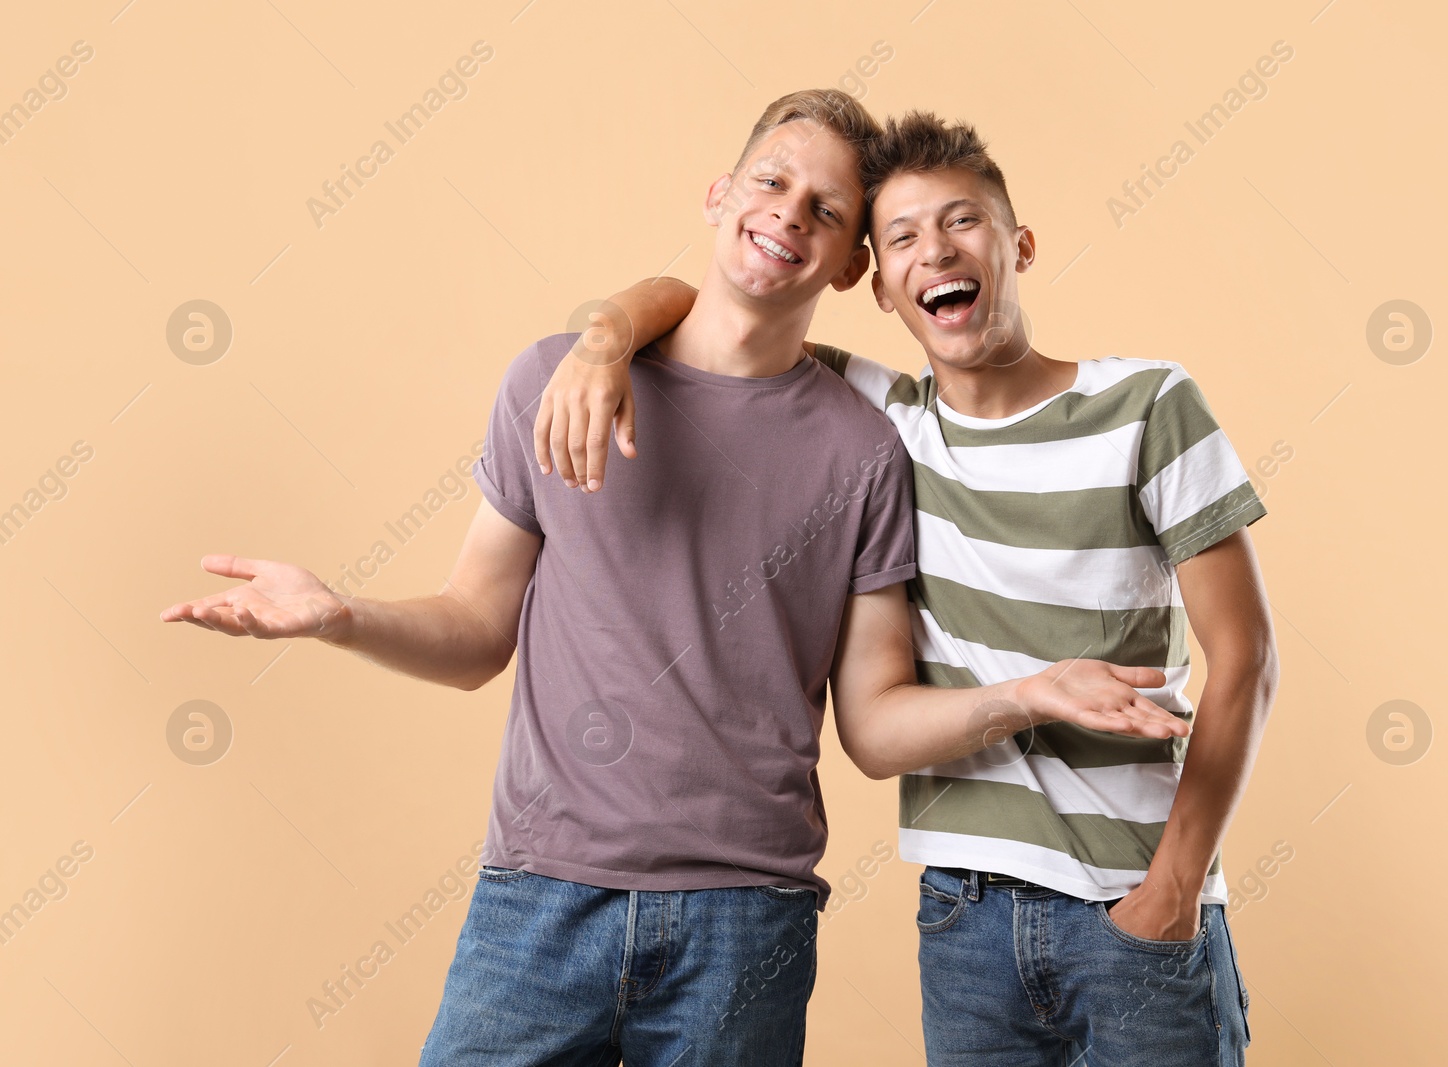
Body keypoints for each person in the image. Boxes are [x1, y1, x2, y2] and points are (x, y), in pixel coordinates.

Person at [159, 92, 1187, 1067]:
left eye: (825, 212)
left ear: (845, 269)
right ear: (718, 196)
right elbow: (477, 629)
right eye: (770, 183)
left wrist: (1027, 693)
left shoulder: (867, 450)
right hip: (538, 898)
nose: (788, 214)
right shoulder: (554, 381)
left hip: (746, 922)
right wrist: (341, 615)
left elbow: (870, 722)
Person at [536, 109, 1279, 1066]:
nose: (936, 251)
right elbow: (710, 300)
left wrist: (1174, 889)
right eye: (900, 238)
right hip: (964, 916)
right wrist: (602, 337)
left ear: (1020, 245)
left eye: (963, 222)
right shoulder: (879, 422)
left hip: (1135, 904)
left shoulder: (1146, 403)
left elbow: (1247, 657)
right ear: (879, 286)